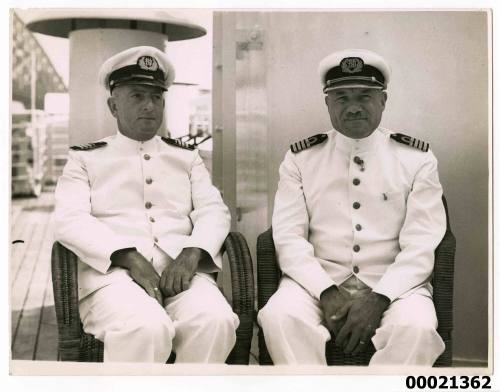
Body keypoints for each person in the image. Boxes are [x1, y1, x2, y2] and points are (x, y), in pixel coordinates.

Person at [258, 49, 447, 366]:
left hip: (394, 284)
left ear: (383, 101)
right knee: (279, 316)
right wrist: (325, 290)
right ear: (327, 103)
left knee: (418, 328)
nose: (354, 107)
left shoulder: (417, 158)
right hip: (315, 281)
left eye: (364, 96)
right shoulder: (300, 158)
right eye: (342, 97)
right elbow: (288, 237)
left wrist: (380, 298)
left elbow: (422, 243)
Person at [53, 46, 238, 363]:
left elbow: (214, 211)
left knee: (215, 321)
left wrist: (192, 254)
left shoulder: (186, 157)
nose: (150, 106)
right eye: (137, 96)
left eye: (156, 97)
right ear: (113, 106)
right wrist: (128, 256)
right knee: (146, 327)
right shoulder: (85, 159)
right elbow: (69, 219)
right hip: (112, 279)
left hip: (180, 274)